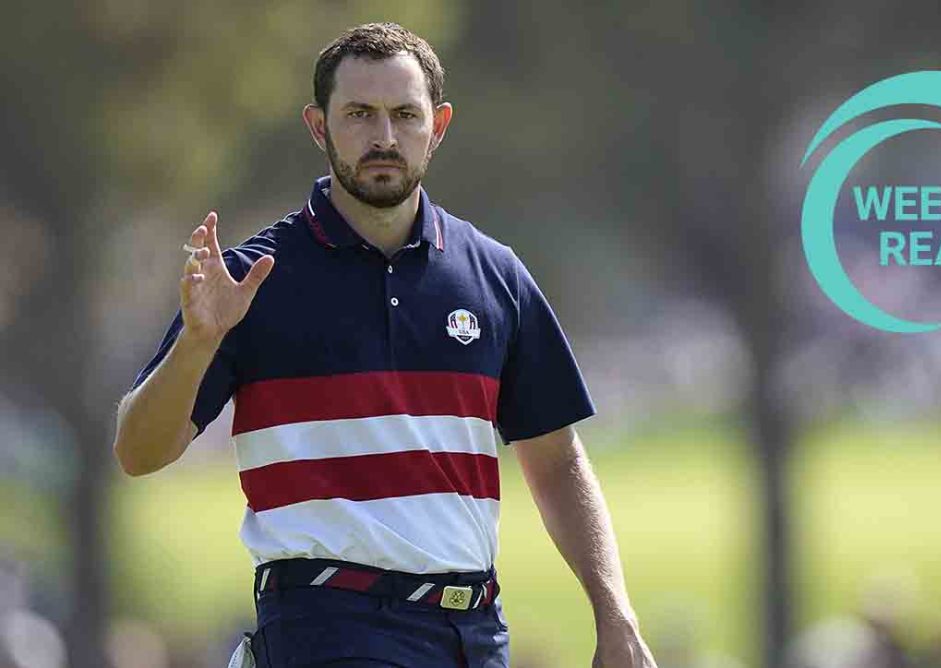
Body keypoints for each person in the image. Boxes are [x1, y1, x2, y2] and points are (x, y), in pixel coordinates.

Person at [112, 22, 657, 668]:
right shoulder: (252, 280)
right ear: (319, 127)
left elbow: (558, 461)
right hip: (326, 628)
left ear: (440, 125)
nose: (384, 138)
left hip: (474, 635)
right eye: (360, 115)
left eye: (405, 114)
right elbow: (137, 450)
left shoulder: (495, 277)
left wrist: (614, 611)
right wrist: (199, 343)